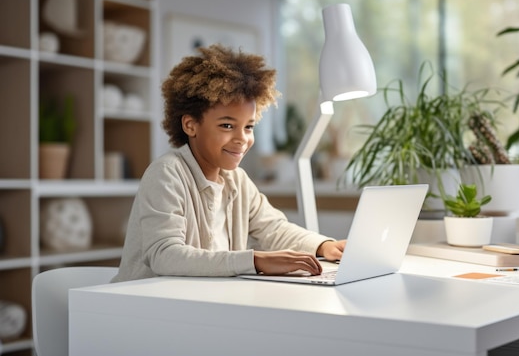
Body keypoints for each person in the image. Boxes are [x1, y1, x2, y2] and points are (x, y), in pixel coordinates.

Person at [112, 44, 345, 282]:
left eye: (249, 127)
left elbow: (273, 228)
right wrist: (254, 261)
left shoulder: (237, 180)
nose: (242, 139)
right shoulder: (167, 173)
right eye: (227, 125)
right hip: (143, 303)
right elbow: (164, 255)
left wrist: (324, 245)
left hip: (199, 301)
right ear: (190, 125)